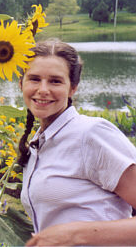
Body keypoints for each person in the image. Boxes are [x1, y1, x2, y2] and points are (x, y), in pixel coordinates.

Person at [17, 40, 136, 246]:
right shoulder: (40, 142)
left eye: (55, 81)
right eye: (34, 79)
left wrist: (76, 234)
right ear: (21, 84)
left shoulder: (91, 135)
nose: (43, 89)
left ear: (73, 88)